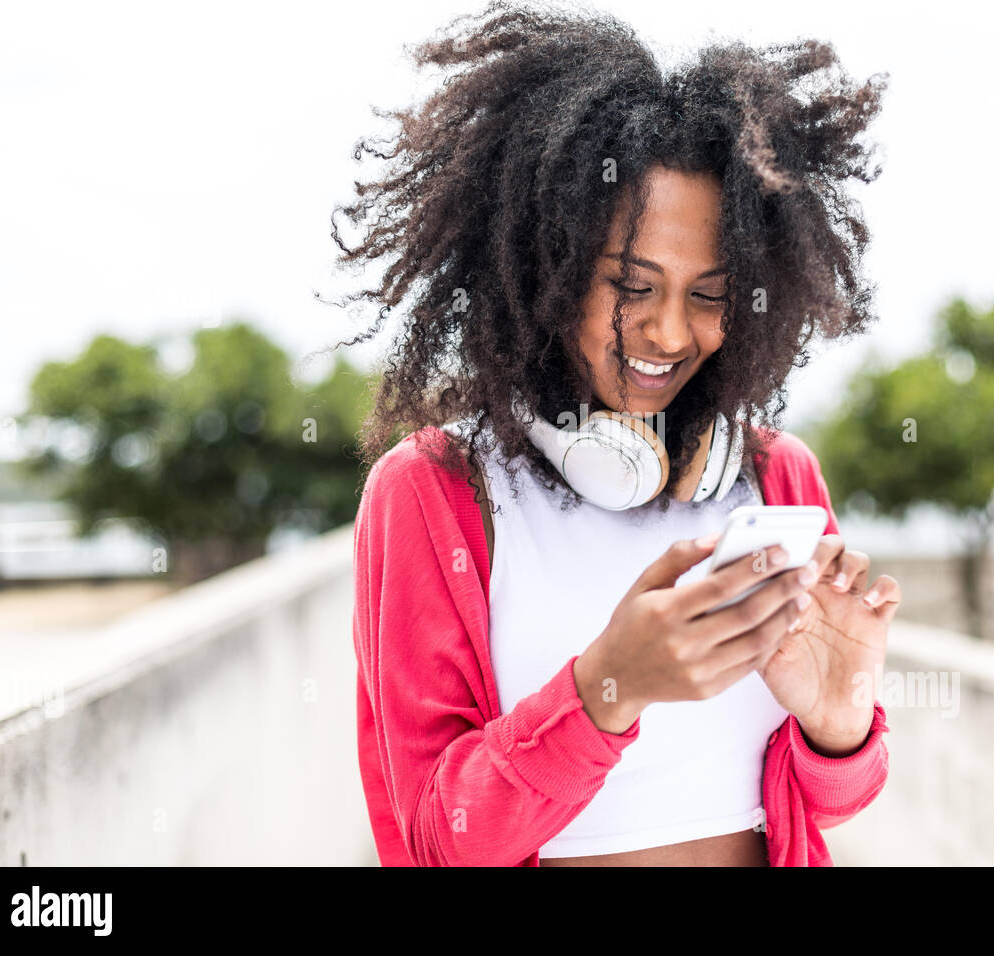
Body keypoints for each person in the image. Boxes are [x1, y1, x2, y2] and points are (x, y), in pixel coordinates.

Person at [335, 1, 901, 866]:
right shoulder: (433, 493)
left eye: (709, 294)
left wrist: (840, 719)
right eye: (631, 286)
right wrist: (611, 685)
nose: (672, 334)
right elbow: (430, 842)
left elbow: (832, 802)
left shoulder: (776, 477)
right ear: (544, 266)